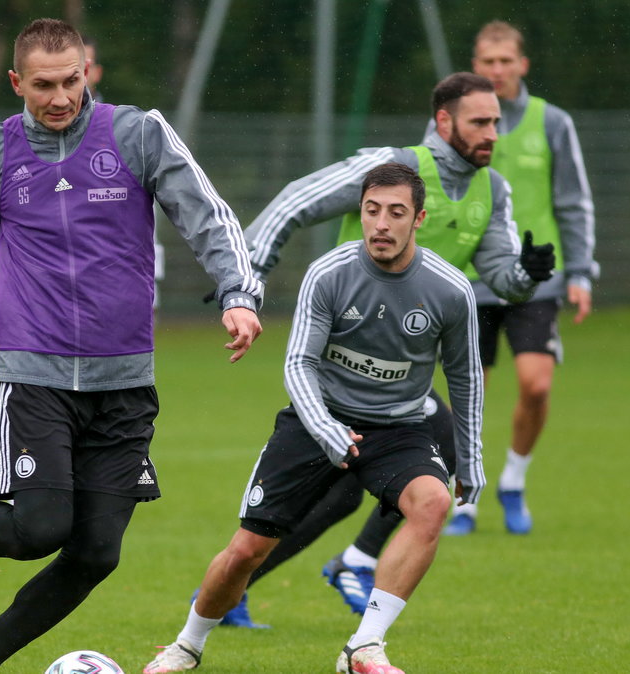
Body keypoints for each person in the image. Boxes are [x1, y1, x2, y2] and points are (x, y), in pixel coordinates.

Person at [0, 19, 263, 674]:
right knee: (40, 528)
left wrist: (238, 294)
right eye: (44, 85)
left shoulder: (138, 134)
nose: (61, 98)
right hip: (34, 374)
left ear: (88, 71)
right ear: (17, 83)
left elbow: (207, 211)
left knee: (95, 554)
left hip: (125, 380)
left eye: (72, 81)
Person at [211, 72, 552, 626]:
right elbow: (298, 199)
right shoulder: (393, 169)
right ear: (444, 122)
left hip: (400, 371)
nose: (493, 133)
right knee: (433, 441)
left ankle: (264, 583)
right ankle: (344, 563)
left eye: (496, 122)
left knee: (352, 491)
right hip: (337, 358)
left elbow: (501, 275)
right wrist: (245, 277)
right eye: (480, 122)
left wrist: (526, 274)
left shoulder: (493, 191)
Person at [143, 163, 485, 674]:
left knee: (432, 504)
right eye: (372, 211)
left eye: (396, 213)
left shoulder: (450, 291)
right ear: (360, 213)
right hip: (316, 420)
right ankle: (186, 646)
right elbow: (298, 362)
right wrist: (326, 427)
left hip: (398, 428)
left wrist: (471, 460)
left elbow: (465, 378)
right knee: (247, 552)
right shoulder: (329, 273)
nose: (381, 225)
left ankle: (363, 647)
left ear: (419, 220)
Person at [443, 19, 597, 536]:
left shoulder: (551, 122)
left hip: (535, 281)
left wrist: (580, 272)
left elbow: (573, 201)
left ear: (522, 65)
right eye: (487, 62)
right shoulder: (452, 120)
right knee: (472, 393)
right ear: (475, 66)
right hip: (470, 276)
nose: (497, 70)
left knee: (536, 385)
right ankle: (465, 496)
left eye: (506, 61)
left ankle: (513, 479)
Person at [0, 33, 165, 323]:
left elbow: (144, 217)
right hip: (36, 296)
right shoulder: (18, 140)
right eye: (46, 81)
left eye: (79, 69)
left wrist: (152, 281)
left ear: (90, 71)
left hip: (112, 296)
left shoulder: (125, 134)